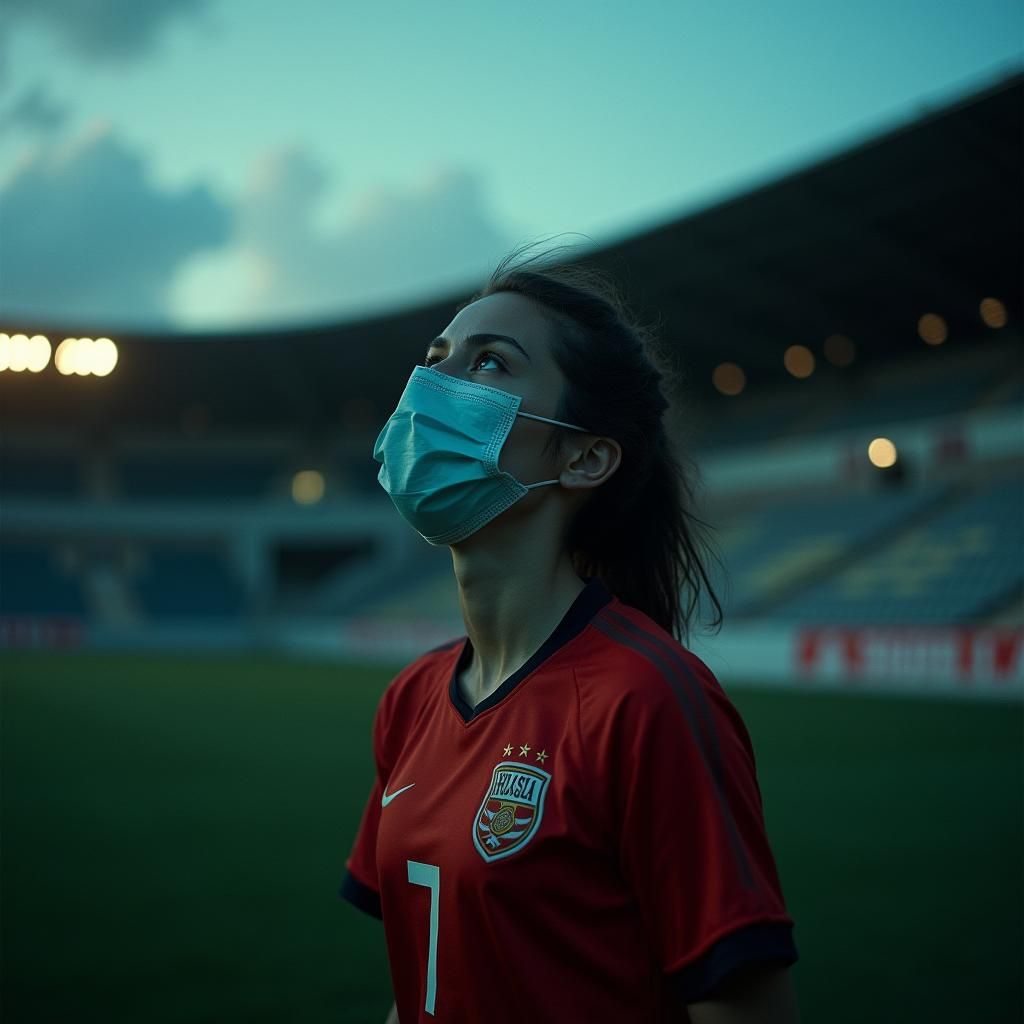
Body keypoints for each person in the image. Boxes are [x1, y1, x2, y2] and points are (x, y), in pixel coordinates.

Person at [339, 243, 800, 1023]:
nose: (429, 387)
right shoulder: (411, 699)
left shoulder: (648, 699)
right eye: (435, 356)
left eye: (489, 366)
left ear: (585, 458)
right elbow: (422, 984)